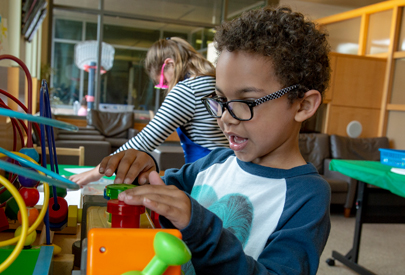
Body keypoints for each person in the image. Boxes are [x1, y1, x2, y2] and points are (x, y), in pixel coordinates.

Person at [97, 6, 331, 274]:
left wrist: (201, 228)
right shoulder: (215, 163)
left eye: (246, 101)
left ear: (303, 105)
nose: (226, 118)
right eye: (220, 100)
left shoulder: (307, 197)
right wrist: (144, 173)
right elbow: (163, 201)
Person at [70, 37, 228, 186]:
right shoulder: (214, 81)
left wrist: (94, 173)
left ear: (169, 64)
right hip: (227, 170)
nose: (167, 87)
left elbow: (144, 141)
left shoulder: (188, 89)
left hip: (208, 176)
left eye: (164, 82)